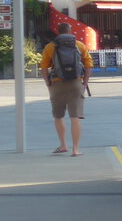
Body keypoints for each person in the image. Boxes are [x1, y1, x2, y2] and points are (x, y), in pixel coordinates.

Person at [40, 22, 93, 156]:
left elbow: (44, 67)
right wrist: (84, 83)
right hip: (76, 83)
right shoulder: (79, 45)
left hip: (57, 84)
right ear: (70, 31)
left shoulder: (50, 47)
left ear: (58, 32)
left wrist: (48, 82)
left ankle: (63, 145)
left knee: (58, 116)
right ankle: (75, 149)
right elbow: (88, 65)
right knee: (75, 117)